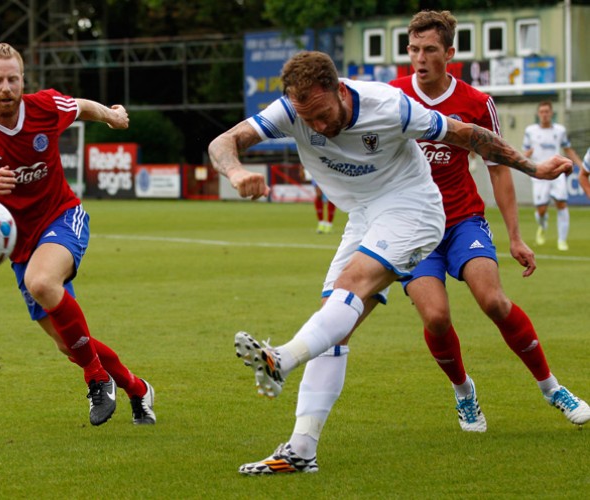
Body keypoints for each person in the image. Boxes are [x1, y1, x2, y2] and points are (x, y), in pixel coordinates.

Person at [208, 50, 571, 475]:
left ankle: (282, 358)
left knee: (352, 284)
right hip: (363, 216)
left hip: (413, 207)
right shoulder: (290, 110)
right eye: (309, 120)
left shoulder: (389, 106)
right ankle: (301, 450)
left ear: (339, 90)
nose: (319, 127)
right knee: (333, 325)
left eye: (324, 114)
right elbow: (223, 142)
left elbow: (470, 135)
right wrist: (234, 173)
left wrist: (535, 168)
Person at [390, 10, 589, 434]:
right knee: (436, 318)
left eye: (429, 50)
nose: (419, 59)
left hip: (463, 219)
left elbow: (498, 167)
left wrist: (515, 237)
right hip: (411, 228)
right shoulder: (391, 97)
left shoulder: (477, 104)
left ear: (450, 54)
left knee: (494, 301)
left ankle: (552, 387)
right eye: (413, 50)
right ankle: (464, 394)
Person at [0, 42, 155, 427]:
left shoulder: (45, 106)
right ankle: (136, 388)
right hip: (18, 245)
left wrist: (112, 117)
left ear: (23, 80)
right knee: (68, 344)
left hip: (62, 216)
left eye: (13, 79)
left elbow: (82, 106)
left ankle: (96, 378)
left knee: (42, 283)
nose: (6, 87)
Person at [523, 101, 584, 250]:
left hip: (557, 172)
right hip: (538, 173)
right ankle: (542, 226)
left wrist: (582, 166)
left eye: (547, 112)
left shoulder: (559, 130)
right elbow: (524, 153)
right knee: (541, 210)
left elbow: (568, 149)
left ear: (551, 113)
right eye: (542, 112)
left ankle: (562, 240)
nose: (544, 114)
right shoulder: (530, 131)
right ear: (538, 114)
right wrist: (526, 157)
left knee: (562, 204)